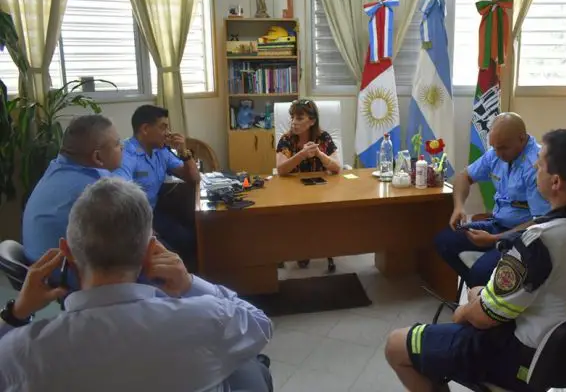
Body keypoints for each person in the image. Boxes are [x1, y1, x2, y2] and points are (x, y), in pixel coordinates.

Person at [385, 129, 566, 392]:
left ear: (556, 182)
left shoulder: (539, 243)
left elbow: (483, 318)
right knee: (476, 290)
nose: (535, 165)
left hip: (519, 359)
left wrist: (462, 312)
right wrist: (479, 298)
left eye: (541, 162)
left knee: (396, 345)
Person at [0, 177, 273, 392]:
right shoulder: (209, 317)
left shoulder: (22, 352)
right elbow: (260, 325)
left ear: (67, 252)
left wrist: (15, 314)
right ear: (151, 250)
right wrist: (189, 284)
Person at [434, 112, 550, 289]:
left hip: (522, 236)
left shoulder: (536, 165)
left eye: (503, 148)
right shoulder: (495, 153)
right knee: (444, 241)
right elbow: (464, 177)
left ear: (521, 138)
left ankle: (482, 294)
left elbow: (540, 222)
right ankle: (479, 291)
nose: (498, 153)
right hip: (497, 224)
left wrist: (495, 239)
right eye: (494, 147)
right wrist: (459, 207)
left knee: (480, 272)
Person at [23, 114, 123, 266]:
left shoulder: (55, 169)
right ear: (97, 157)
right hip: (67, 277)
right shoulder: (98, 189)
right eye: (117, 143)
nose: (122, 147)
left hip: (38, 271)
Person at [114, 105, 200, 269]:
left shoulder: (160, 151)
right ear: (145, 129)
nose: (168, 133)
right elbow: (119, 196)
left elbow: (194, 178)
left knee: (189, 239)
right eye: (163, 127)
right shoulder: (126, 154)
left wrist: (184, 152)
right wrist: (146, 229)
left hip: (153, 213)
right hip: (134, 221)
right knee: (169, 255)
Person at [276, 99, 341, 272]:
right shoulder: (286, 139)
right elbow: (281, 169)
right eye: (292, 118)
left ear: (312, 121)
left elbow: (337, 167)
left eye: (299, 118)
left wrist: (319, 154)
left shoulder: (323, 138)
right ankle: (302, 248)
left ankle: (309, 247)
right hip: (292, 193)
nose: (293, 122)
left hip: (319, 192)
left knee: (319, 215)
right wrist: (302, 155)